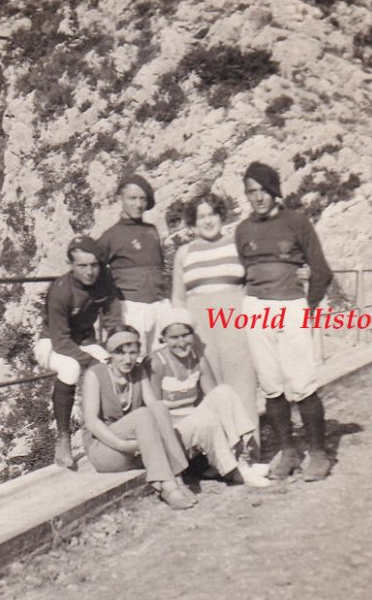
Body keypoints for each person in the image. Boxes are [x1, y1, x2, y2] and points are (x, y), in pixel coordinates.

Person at [235, 161, 334, 482]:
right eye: (252, 192)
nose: (258, 197)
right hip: (256, 309)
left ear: (275, 191)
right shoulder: (242, 230)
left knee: (302, 381)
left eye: (264, 190)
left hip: (291, 307)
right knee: (271, 385)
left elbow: (321, 271)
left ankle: (318, 453)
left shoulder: (297, 222)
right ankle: (287, 452)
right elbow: (243, 273)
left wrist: (307, 306)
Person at [171, 192, 260, 452]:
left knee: (241, 383)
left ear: (221, 215)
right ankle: (220, 456)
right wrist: (181, 333)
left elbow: (251, 286)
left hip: (234, 321)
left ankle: (249, 451)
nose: (208, 221)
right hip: (199, 329)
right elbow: (178, 297)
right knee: (208, 389)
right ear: (193, 222)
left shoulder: (236, 245)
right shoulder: (184, 253)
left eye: (212, 214)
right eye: (201, 216)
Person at [148, 308, 271, 488]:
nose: (181, 343)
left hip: (195, 422)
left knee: (224, 392)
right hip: (172, 431)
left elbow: (216, 397)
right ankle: (239, 471)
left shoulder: (197, 357)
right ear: (164, 339)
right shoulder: (157, 362)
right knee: (208, 421)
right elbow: (154, 412)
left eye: (185, 335)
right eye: (174, 338)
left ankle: (240, 460)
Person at [81, 325, 196, 510]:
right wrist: (123, 445)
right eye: (121, 353)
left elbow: (154, 406)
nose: (127, 360)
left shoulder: (138, 371)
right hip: (106, 449)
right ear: (110, 353)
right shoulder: (95, 374)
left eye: (133, 353)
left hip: (134, 448)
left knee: (158, 407)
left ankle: (178, 478)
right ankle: (168, 486)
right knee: (142, 414)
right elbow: (92, 423)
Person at [34, 235, 123, 470]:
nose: (90, 271)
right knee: (70, 368)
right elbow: (61, 341)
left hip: (83, 339)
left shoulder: (104, 280)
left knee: (114, 365)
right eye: (82, 266)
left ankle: (115, 429)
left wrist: (117, 345)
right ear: (72, 266)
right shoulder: (61, 290)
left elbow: (113, 316)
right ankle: (63, 439)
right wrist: (91, 360)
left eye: (94, 265)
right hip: (51, 343)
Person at [97, 173, 170, 355]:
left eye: (142, 199)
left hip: (159, 306)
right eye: (132, 198)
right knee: (135, 360)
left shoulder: (152, 231)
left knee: (163, 360)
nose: (138, 204)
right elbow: (93, 269)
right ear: (120, 198)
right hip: (132, 309)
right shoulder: (111, 235)